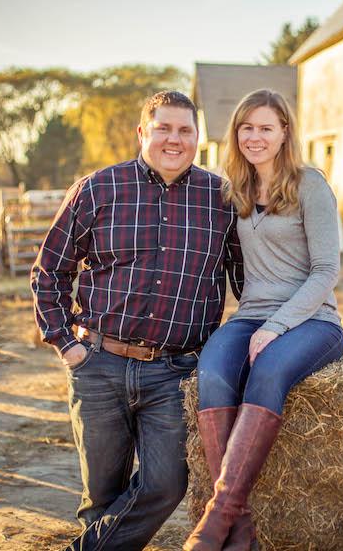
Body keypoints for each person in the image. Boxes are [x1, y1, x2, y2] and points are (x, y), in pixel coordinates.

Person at [31, 90, 243, 551]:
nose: (174, 139)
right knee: (101, 498)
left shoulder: (223, 198)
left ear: (197, 137)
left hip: (176, 372)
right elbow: (50, 271)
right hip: (99, 364)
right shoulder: (98, 189)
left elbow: (248, 281)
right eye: (163, 128)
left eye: (185, 130)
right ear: (142, 132)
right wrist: (67, 344)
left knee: (165, 485)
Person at [183, 89, 343, 551]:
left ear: (284, 134)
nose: (254, 137)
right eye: (246, 127)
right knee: (213, 372)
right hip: (250, 313)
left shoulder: (309, 184)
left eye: (265, 128)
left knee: (268, 369)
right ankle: (242, 534)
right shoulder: (233, 189)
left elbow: (326, 271)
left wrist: (277, 326)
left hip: (313, 319)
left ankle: (217, 518)